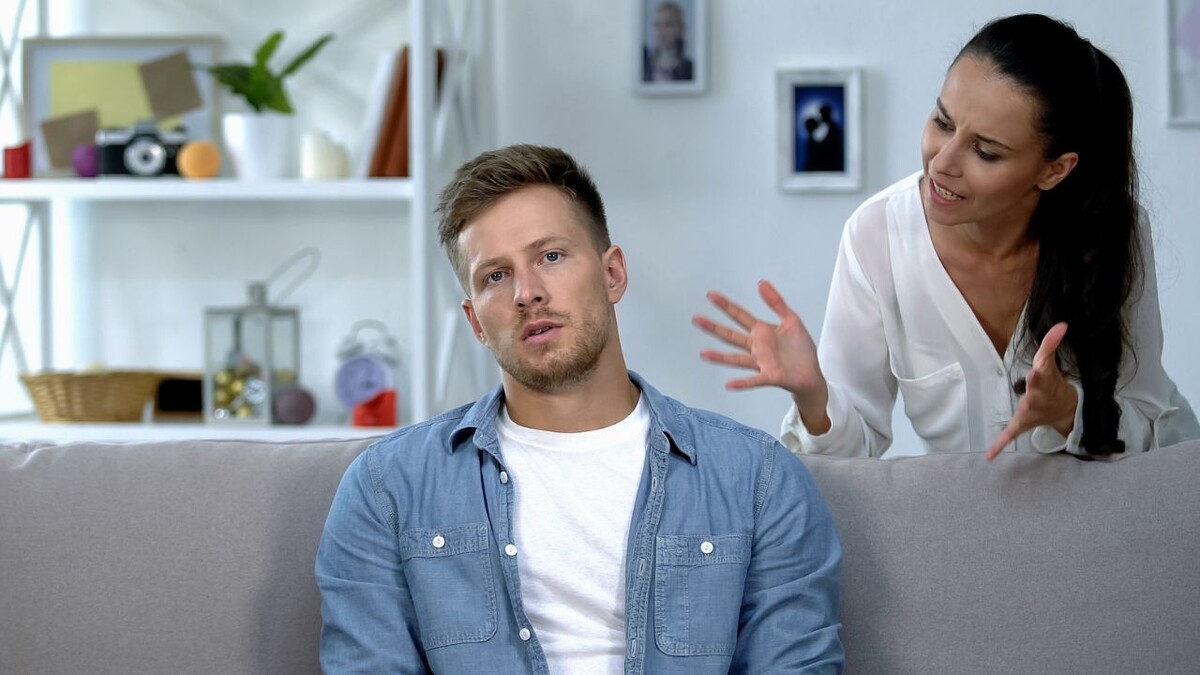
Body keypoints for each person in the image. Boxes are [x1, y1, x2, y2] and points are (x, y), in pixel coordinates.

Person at [316, 144, 844, 673]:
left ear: (613, 274)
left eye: (550, 256)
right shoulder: (387, 487)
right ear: (476, 322)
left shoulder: (758, 480)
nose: (527, 293)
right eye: (495, 276)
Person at [696, 13, 1200, 460]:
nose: (942, 161)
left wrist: (1071, 412)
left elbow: (1151, 426)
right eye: (942, 121)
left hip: (1132, 506)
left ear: (1054, 170)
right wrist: (814, 398)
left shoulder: (1110, 229)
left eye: (985, 151)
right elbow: (852, 455)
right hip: (971, 520)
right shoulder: (876, 237)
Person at [642, 1, 694, 82]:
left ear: (681, 29)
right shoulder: (643, 65)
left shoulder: (690, 70)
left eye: (668, 25)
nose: (661, 32)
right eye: (657, 25)